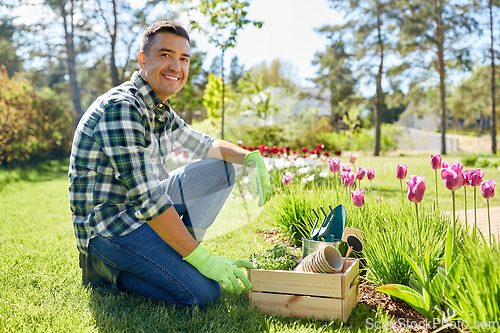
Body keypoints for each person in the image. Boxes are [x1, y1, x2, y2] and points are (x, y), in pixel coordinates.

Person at [68, 20, 271, 308]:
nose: (176, 66)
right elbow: (148, 199)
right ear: (143, 60)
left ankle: (177, 251)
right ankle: (108, 270)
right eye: (165, 55)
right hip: (110, 227)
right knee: (203, 294)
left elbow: (204, 144)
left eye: (183, 58)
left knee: (222, 167)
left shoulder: (159, 109)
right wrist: (202, 260)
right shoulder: (122, 108)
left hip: (140, 214)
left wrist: (250, 157)